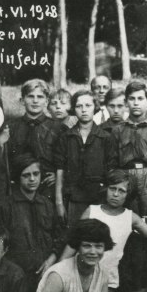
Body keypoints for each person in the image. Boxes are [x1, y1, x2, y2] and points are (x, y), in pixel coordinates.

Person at [58, 169, 147, 292]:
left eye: (121, 191)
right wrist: (59, 269)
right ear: (106, 189)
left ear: (127, 194)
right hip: (83, 274)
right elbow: (74, 242)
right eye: (112, 189)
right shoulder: (92, 211)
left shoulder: (130, 217)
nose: (116, 194)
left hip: (108, 278)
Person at [0, 154, 64, 292]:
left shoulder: (47, 205)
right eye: (26, 175)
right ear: (18, 178)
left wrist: (51, 259)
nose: (32, 179)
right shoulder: (6, 207)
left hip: (45, 270)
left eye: (36, 174)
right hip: (17, 275)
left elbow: (60, 237)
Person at [107, 81, 147, 225]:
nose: (136, 103)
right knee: (125, 222)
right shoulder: (118, 130)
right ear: (125, 102)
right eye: (132, 99)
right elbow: (112, 162)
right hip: (125, 179)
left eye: (140, 99)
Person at [0, 78, 58, 199]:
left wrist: (59, 176)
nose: (35, 101)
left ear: (47, 101)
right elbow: (2, 166)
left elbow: (67, 159)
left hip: (48, 189)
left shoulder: (57, 127)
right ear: (22, 100)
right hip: (19, 189)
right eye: (30, 96)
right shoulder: (11, 128)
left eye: (40, 97)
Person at [55, 90, 111, 227]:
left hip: (99, 198)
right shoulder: (66, 137)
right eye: (79, 106)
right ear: (74, 109)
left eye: (88, 105)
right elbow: (60, 170)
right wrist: (59, 203)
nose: (84, 110)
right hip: (74, 199)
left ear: (95, 107)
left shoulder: (105, 137)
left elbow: (111, 170)